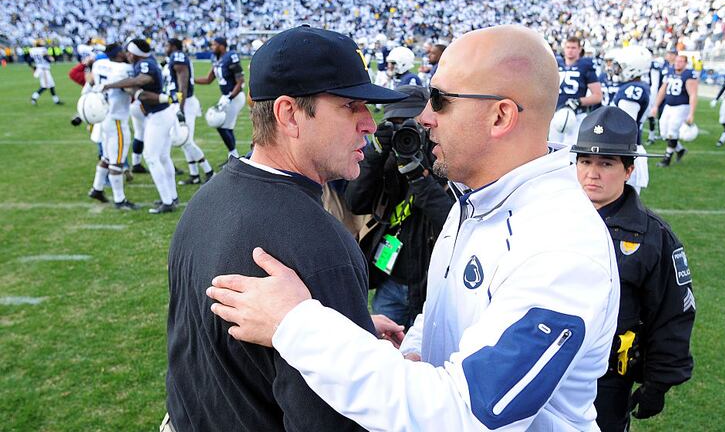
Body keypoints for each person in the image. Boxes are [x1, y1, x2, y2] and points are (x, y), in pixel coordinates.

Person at [206, 25, 620, 431]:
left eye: (439, 100)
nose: (424, 117)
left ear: (500, 116)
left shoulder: (561, 248)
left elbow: (470, 414)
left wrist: (295, 324)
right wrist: (409, 355)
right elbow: (444, 316)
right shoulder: (479, 200)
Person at [164, 26, 407, 432]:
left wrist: (354, 330)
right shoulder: (318, 243)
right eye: (351, 106)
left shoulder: (208, 198)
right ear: (288, 114)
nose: (369, 123)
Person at [570, 106, 695, 432]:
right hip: (543, 366)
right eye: (585, 161)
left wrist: (659, 382)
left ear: (628, 170)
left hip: (608, 378)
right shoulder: (549, 218)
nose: (591, 173)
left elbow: (673, 312)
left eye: (606, 163)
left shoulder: (655, 237)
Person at [345, 85, 454, 327]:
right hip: (390, 279)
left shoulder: (443, 159)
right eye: (395, 124)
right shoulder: (385, 158)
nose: (403, 131)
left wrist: (418, 176)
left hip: (431, 285)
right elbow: (356, 202)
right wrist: (376, 154)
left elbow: (450, 220)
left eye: (409, 123)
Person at [102, 39, 178, 214]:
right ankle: (171, 197)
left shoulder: (144, 63)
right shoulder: (146, 62)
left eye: (129, 52)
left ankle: (167, 201)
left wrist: (111, 85)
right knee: (164, 157)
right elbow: (140, 90)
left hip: (159, 115)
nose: (127, 55)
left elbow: (142, 80)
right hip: (162, 113)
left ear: (135, 53)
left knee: (151, 157)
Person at [86, 43, 138, 210]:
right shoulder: (123, 69)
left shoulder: (99, 64)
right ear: (118, 54)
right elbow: (130, 88)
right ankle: (120, 200)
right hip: (117, 118)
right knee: (116, 161)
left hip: (104, 117)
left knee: (107, 157)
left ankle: (97, 188)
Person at [164, 38, 214, 185]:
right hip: (180, 102)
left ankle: (209, 171)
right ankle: (195, 175)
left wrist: (180, 107)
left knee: (187, 140)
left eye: (167, 45)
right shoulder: (173, 58)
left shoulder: (178, 57)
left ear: (172, 46)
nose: (165, 47)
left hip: (184, 102)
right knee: (183, 140)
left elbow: (183, 84)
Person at [195, 36, 246, 161]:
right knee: (224, 125)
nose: (212, 47)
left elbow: (240, 82)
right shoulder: (216, 59)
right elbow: (208, 79)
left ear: (222, 46)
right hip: (226, 96)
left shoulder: (231, 57)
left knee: (222, 125)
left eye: (214, 45)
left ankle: (233, 156)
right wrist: (191, 80)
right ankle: (233, 156)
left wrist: (230, 97)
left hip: (235, 96)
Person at [611, 45, 653, 193]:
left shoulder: (633, 90)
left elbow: (624, 126)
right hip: (629, 150)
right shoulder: (638, 87)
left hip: (626, 151)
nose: (618, 70)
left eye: (621, 66)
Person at [549, 35, 602, 145]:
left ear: (579, 49)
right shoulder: (556, 64)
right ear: (564, 48)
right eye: (568, 47)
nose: (570, 51)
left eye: (573, 48)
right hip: (557, 114)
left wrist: (578, 101)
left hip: (576, 115)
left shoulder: (585, 66)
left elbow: (597, 96)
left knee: (571, 152)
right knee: (553, 150)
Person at [650, 53, 698, 167]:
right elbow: (662, 90)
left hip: (681, 107)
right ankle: (680, 150)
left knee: (672, 132)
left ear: (686, 63)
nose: (678, 63)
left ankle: (667, 159)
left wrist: (691, 113)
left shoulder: (689, 74)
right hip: (668, 106)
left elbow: (693, 94)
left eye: (681, 61)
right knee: (664, 133)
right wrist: (656, 106)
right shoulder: (670, 71)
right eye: (677, 61)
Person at [28, 41, 63, 106]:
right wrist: (51, 59)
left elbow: (29, 60)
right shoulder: (42, 50)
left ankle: (56, 100)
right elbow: (47, 59)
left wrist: (33, 68)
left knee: (52, 85)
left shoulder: (33, 50)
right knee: (45, 86)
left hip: (41, 69)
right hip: (44, 70)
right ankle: (34, 97)